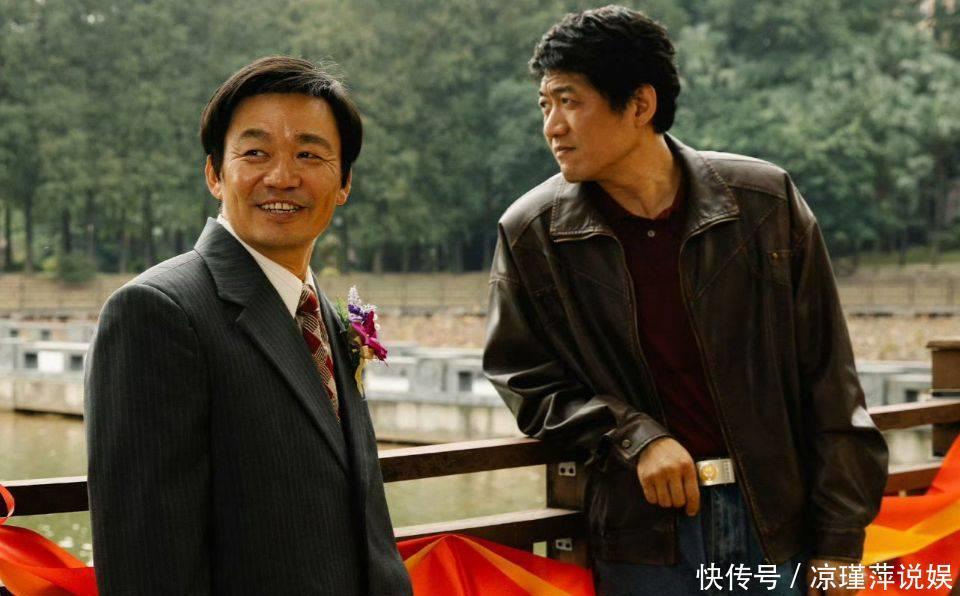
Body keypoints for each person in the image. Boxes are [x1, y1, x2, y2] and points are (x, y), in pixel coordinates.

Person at [483, 6, 888, 595]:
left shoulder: (764, 204)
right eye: (545, 104)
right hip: (645, 536)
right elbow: (524, 379)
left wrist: (840, 544)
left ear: (640, 105)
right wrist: (634, 437)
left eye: (569, 101)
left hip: (779, 526)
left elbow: (830, 384)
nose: (552, 126)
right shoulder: (532, 232)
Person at [85, 56, 412, 595]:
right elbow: (145, 562)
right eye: (255, 153)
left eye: (309, 154)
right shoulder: (156, 312)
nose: (282, 177)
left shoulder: (324, 314)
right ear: (215, 174)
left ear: (345, 182)